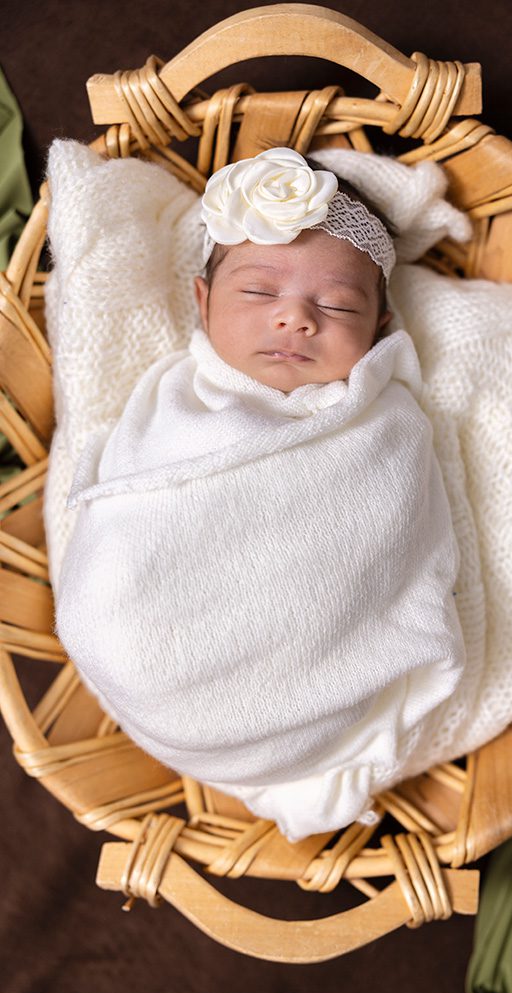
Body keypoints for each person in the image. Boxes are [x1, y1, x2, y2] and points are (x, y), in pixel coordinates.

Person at [54, 147, 465, 842]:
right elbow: (126, 532)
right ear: (202, 301)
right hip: (148, 665)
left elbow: (395, 537)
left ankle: (288, 731)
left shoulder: (380, 426)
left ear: (382, 329)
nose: (295, 318)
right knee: (116, 630)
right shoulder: (174, 401)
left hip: (314, 671)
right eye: (257, 292)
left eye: (337, 304)